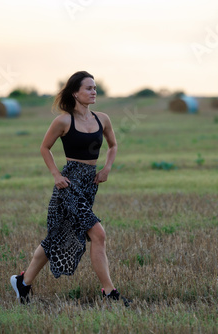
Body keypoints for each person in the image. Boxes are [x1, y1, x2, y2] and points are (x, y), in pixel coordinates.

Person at [10, 71, 129, 306]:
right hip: (69, 184)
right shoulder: (64, 121)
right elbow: (45, 148)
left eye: (95, 88)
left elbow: (113, 145)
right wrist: (56, 175)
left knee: (59, 235)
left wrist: (106, 168)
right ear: (75, 92)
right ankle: (109, 291)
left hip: (89, 185)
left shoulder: (102, 119)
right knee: (98, 234)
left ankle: (23, 282)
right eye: (88, 88)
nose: (94, 91)